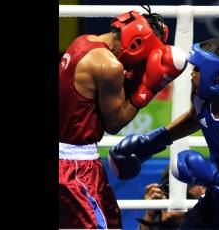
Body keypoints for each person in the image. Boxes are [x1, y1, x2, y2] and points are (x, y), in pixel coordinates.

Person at [109, 38, 219, 229]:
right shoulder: (202, 95)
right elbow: (195, 117)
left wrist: (215, 176)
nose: (192, 74)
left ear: (217, 77)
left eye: (198, 70)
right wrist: (153, 141)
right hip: (218, 198)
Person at [59, 4, 188, 229]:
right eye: (146, 57)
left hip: (79, 159)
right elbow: (115, 123)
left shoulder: (84, 40)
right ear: (138, 43)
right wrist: (148, 87)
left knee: (112, 222)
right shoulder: (109, 66)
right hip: (74, 166)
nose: (142, 64)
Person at [137, 166, 206, 230]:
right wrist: (149, 215)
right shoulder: (160, 213)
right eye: (173, 185)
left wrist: (181, 222)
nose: (180, 191)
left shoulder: (211, 215)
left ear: (203, 187)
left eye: (188, 184)